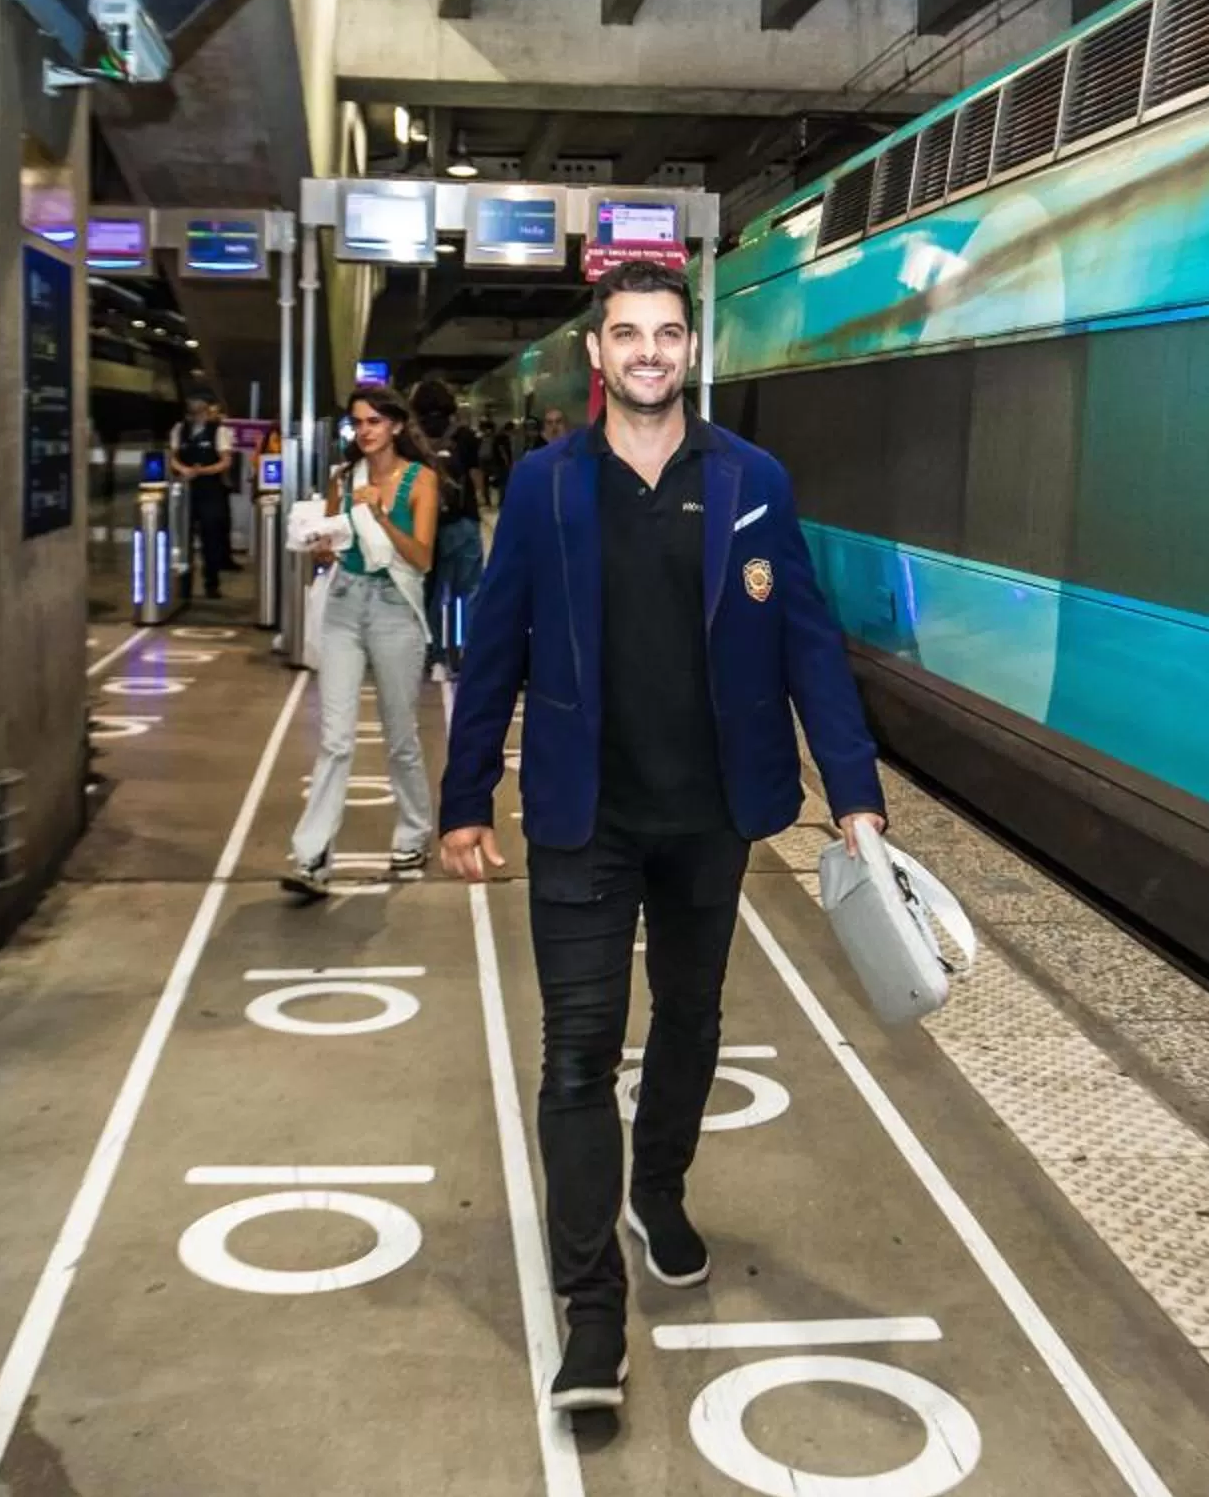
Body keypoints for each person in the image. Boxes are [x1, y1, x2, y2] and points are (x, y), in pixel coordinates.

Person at [437, 260, 888, 1413]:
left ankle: (662, 1186)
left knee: (692, 1017)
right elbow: (494, 649)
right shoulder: (542, 488)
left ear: (693, 349)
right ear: (597, 354)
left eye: (667, 333)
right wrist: (464, 792)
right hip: (587, 818)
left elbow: (807, 641)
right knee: (578, 1054)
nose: (647, 350)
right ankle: (594, 1315)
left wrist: (854, 790)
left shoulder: (752, 479)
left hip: (710, 816)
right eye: (626, 333)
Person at [285, 384, 439, 898]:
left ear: (396, 425)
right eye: (358, 422)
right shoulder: (342, 479)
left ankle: (414, 832)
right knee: (334, 739)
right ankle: (312, 855)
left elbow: (421, 558)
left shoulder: (421, 481)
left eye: (374, 421)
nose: (365, 431)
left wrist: (376, 515)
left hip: (396, 610)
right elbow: (330, 548)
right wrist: (319, 546)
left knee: (400, 736)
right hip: (345, 607)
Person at [409, 378, 485, 674]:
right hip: (463, 521)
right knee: (465, 591)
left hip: (424, 525)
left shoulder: (414, 438)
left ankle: (433, 653)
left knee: (430, 589)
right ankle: (461, 650)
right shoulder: (463, 436)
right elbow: (475, 475)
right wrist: (480, 500)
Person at [166, 391, 238, 599]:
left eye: (198, 402)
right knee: (183, 536)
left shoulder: (220, 431)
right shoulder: (179, 429)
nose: (193, 406)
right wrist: (184, 469)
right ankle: (183, 585)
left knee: (211, 536)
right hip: (186, 490)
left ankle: (211, 582)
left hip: (210, 489)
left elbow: (226, 461)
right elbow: (172, 457)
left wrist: (201, 471)